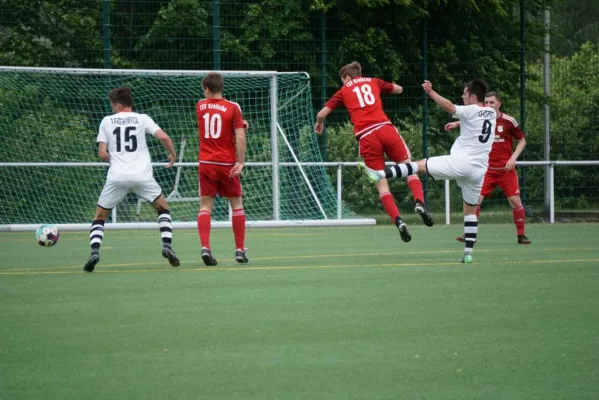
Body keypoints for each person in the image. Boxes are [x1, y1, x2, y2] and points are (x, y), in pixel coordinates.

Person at [361, 78, 496, 263]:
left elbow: (450, 107)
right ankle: (468, 253)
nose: (462, 96)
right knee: (470, 211)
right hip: (479, 170)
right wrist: (458, 124)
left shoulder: (470, 109)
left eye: (464, 93)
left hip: (460, 163)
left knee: (417, 165)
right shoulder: (491, 113)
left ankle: (381, 173)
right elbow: (477, 123)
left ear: (473, 97)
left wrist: (431, 92)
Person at [314, 61, 433, 243]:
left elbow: (321, 114)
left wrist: (319, 124)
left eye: (342, 80)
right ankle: (419, 202)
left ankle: (399, 221)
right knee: (409, 167)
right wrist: (386, 88)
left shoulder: (344, 91)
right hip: (385, 129)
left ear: (347, 77)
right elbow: (399, 89)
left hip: (366, 137)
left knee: (381, 183)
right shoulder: (374, 81)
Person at [84, 86, 180, 272]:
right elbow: (163, 136)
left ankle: (95, 252)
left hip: (117, 176)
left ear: (118, 105)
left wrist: (117, 161)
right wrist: (173, 154)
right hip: (142, 176)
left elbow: (102, 153)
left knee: (99, 217)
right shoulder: (142, 118)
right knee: (162, 208)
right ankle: (167, 246)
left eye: (112, 105)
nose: (112, 108)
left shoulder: (106, 121)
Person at [448, 92, 531, 244]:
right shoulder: (482, 117)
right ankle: (469, 234)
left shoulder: (508, 121)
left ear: (499, 103)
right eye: (486, 102)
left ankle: (521, 235)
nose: (488, 105)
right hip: (486, 169)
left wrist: (513, 158)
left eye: (492, 102)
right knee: (475, 201)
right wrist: (457, 123)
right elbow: (471, 119)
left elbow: (522, 141)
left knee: (515, 201)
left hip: (506, 170)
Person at [196, 72, 249, 266]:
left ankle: (205, 247)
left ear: (207, 90)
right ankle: (240, 250)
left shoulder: (200, 105)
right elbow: (240, 137)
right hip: (227, 163)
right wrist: (240, 162)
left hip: (206, 162)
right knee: (236, 205)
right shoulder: (233, 107)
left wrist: (240, 124)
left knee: (205, 207)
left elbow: (214, 119)